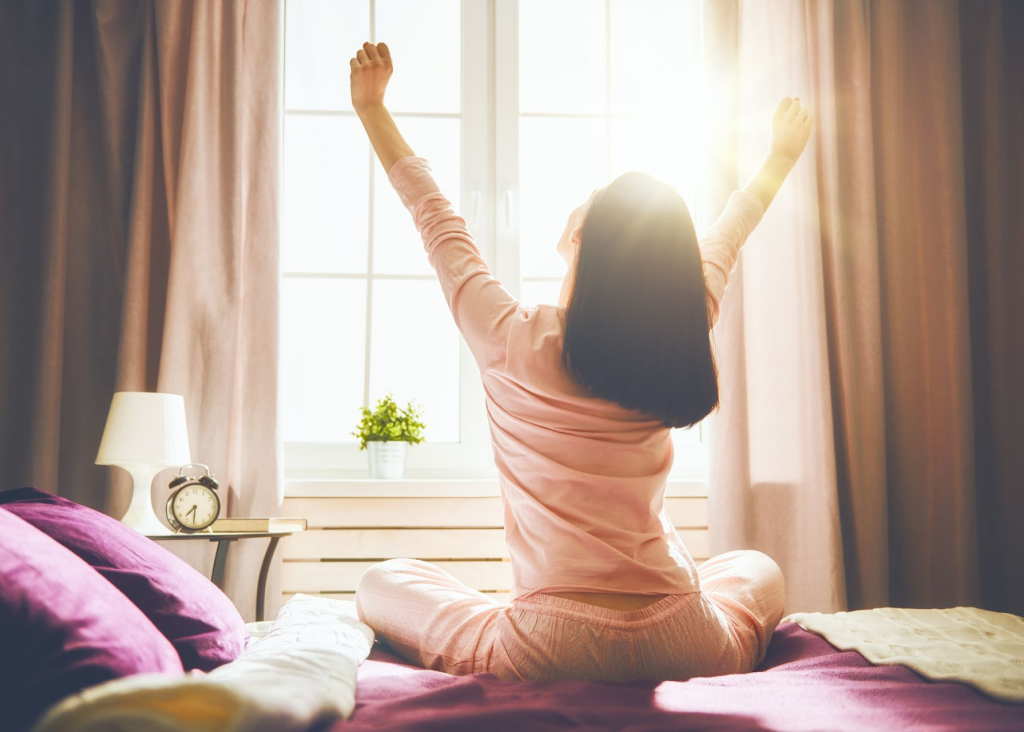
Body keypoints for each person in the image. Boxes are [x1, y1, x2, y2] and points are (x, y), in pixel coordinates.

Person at [350, 41, 814, 683]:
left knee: (382, 583)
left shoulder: (508, 336)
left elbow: (435, 216)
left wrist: (372, 108)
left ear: (579, 239)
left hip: (550, 643)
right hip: (685, 635)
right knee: (759, 570)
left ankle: (497, 625)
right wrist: (781, 158)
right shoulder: (676, 333)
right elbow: (729, 232)